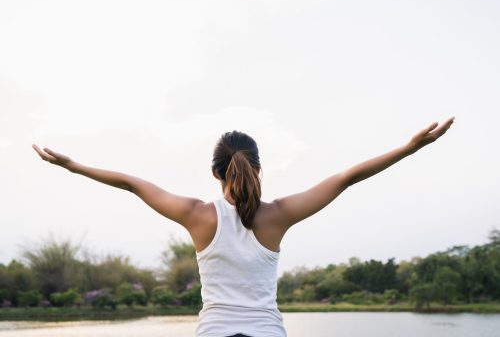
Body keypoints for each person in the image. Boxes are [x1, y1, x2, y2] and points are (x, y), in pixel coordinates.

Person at [32, 116, 455, 336]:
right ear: (258, 167)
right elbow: (346, 178)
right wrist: (410, 148)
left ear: (216, 172)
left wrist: (73, 167)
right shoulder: (279, 214)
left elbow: (131, 183)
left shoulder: (197, 215)